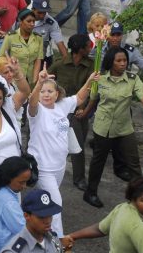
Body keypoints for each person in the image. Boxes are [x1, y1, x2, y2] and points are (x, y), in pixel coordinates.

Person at [27, 64, 97, 235]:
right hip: (42, 168)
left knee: (43, 200)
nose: (46, 94)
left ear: (57, 94)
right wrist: (39, 83)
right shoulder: (36, 111)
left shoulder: (62, 106)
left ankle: (31, 229)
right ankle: (59, 243)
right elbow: (31, 102)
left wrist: (89, 80)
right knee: (55, 203)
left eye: (50, 91)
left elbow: (79, 98)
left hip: (59, 166)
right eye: (43, 91)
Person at [83, 47, 143, 208]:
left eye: (125, 60)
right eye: (119, 61)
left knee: (134, 163)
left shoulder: (132, 79)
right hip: (103, 127)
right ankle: (91, 192)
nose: (123, 63)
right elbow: (93, 100)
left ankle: (141, 196)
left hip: (124, 127)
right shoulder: (100, 79)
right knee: (98, 162)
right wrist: (84, 113)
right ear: (111, 62)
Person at [49, 33, 94, 192]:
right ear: (80, 49)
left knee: (78, 145)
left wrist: (84, 108)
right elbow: (47, 82)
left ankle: (79, 178)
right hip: (60, 110)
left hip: (78, 111)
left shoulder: (90, 66)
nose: (91, 47)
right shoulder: (60, 64)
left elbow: (92, 90)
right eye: (88, 46)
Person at [32, 0, 67, 65]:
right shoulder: (22, 19)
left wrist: (67, 61)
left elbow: (60, 43)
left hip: (42, 57)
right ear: (33, 9)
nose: (42, 16)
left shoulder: (51, 23)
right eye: (39, 12)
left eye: (44, 12)